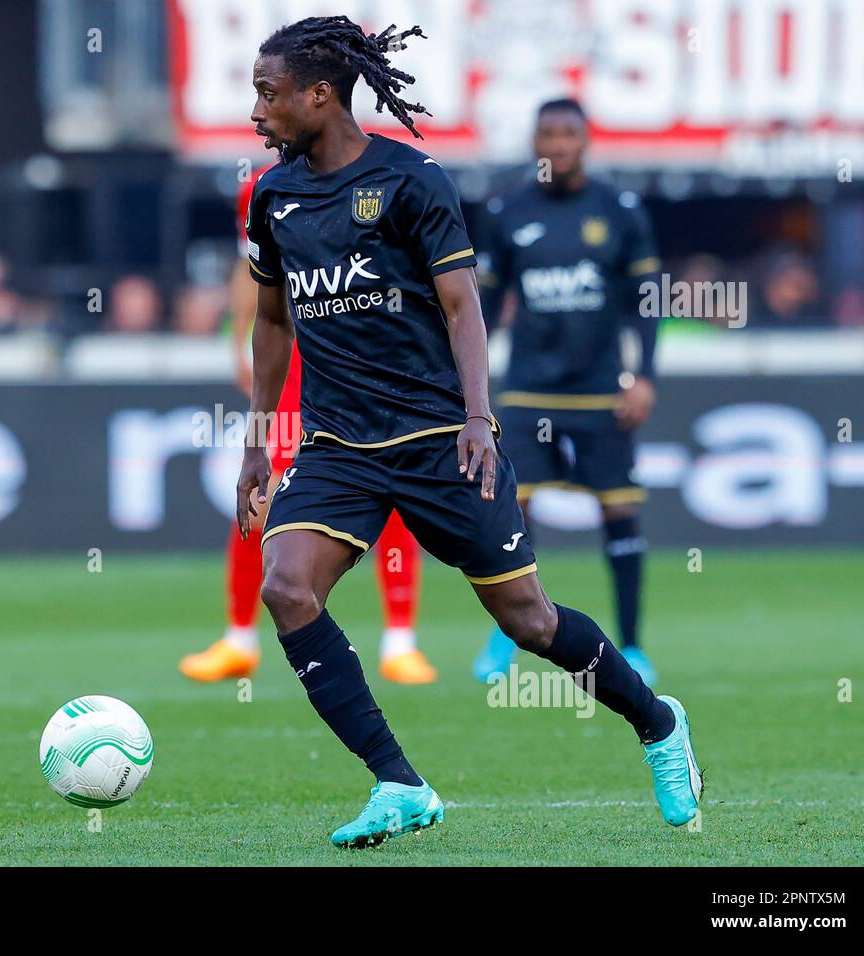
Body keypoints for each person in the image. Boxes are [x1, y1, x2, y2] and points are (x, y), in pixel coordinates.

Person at [239, 15, 702, 847]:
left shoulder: (413, 179)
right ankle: (398, 784)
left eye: (268, 94)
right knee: (286, 586)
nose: (257, 111)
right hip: (338, 444)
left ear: (320, 94)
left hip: (436, 436)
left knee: (529, 621)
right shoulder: (274, 197)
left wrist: (478, 418)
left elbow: (464, 307)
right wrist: (256, 442)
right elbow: (272, 324)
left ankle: (657, 723)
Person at [179, 168, 437, 686]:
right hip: (297, 364)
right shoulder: (261, 187)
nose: (267, 115)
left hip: (367, 363)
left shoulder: (375, 178)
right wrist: (238, 345)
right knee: (261, 488)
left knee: (390, 487)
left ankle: (401, 642)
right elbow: (250, 266)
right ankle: (239, 639)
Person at [471, 98, 662, 686]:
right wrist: (472, 387)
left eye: (567, 134)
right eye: (546, 133)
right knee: (513, 512)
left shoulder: (619, 209)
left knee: (620, 511)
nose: (556, 144)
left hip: (602, 390)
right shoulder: (508, 210)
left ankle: (631, 645)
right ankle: (506, 636)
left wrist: (645, 375)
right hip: (529, 389)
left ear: (586, 140)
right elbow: (478, 305)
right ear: (533, 142)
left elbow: (646, 300)